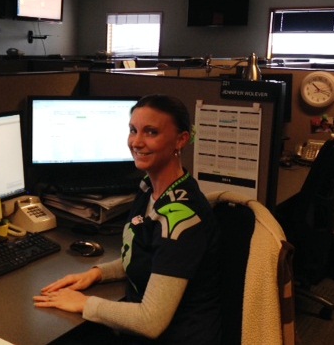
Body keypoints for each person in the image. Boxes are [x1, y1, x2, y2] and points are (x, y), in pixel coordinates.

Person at [33, 94, 221, 344]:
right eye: (133, 130)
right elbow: (149, 257)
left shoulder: (181, 218)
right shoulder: (148, 189)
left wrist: (85, 303)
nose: (136, 142)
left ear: (181, 140)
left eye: (151, 132)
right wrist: (98, 273)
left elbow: (150, 321)